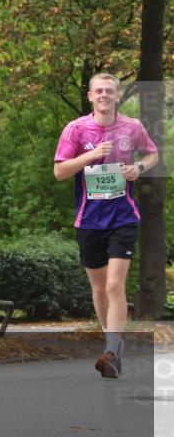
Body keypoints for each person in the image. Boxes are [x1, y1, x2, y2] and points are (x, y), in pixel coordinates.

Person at [53, 73, 158, 378]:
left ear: (117, 96)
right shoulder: (75, 129)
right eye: (98, 91)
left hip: (123, 217)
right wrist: (90, 156)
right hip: (89, 219)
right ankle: (114, 343)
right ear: (90, 96)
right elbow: (59, 171)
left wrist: (138, 167)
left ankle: (111, 351)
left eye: (109, 91)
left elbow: (152, 154)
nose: (104, 96)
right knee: (99, 289)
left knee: (114, 285)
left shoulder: (132, 127)